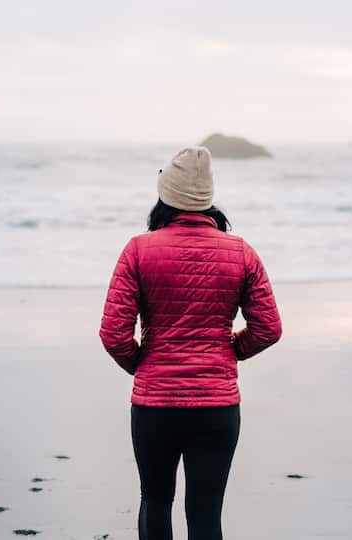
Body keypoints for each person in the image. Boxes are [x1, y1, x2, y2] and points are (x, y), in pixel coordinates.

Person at [100, 146, 282, 539]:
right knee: (205, 515)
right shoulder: (241, 253)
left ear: (165, 195)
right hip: (217, 405)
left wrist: (143, 364)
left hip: (155, 405)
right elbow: (268, 328)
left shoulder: (138, 250)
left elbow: (113, 334)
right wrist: (228, 349)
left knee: (155, 501)